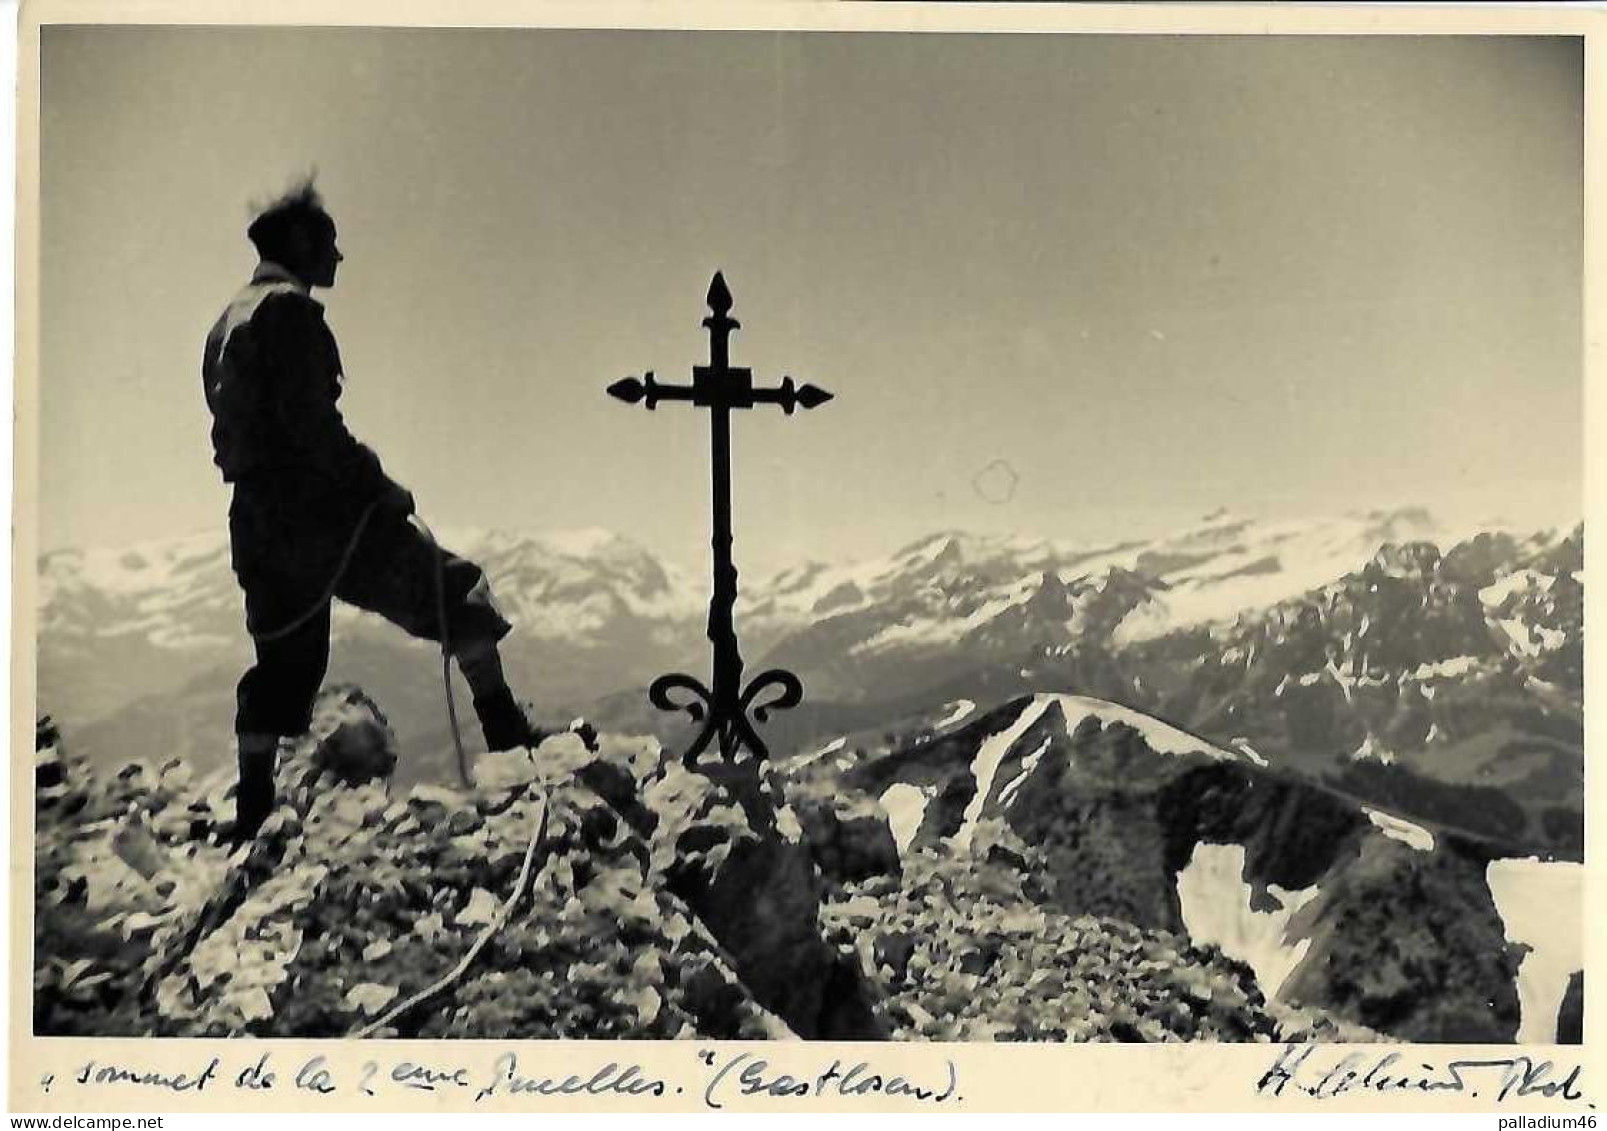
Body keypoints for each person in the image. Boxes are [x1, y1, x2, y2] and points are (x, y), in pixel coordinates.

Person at [202, 180, 553, 840]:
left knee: (282, 664)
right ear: (301, 244)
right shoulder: (290, 314)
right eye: (329, 241)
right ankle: (509, 740)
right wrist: (379, 487)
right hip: (328, 519)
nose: (338, 255)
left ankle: (253, 805)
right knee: (457, 591)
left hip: (255, 520)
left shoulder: (226, 323)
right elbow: (314, 431)